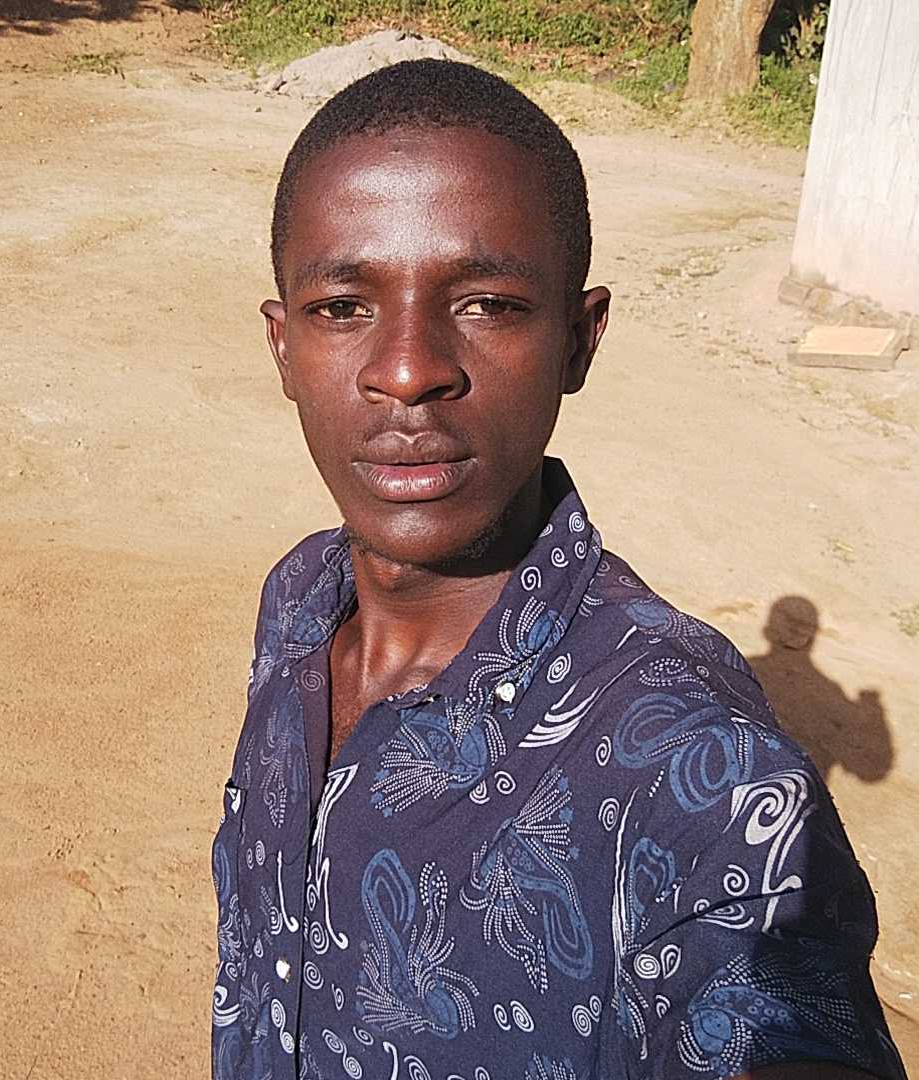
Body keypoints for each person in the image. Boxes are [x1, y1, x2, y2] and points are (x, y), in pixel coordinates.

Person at [210, 59, 905, 1080]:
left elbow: (771, 1005)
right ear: (282, 345)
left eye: (488, 304)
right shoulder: (302, 600)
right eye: (343, 306)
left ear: (580, 341)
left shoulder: (694, 766)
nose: (407, 369)